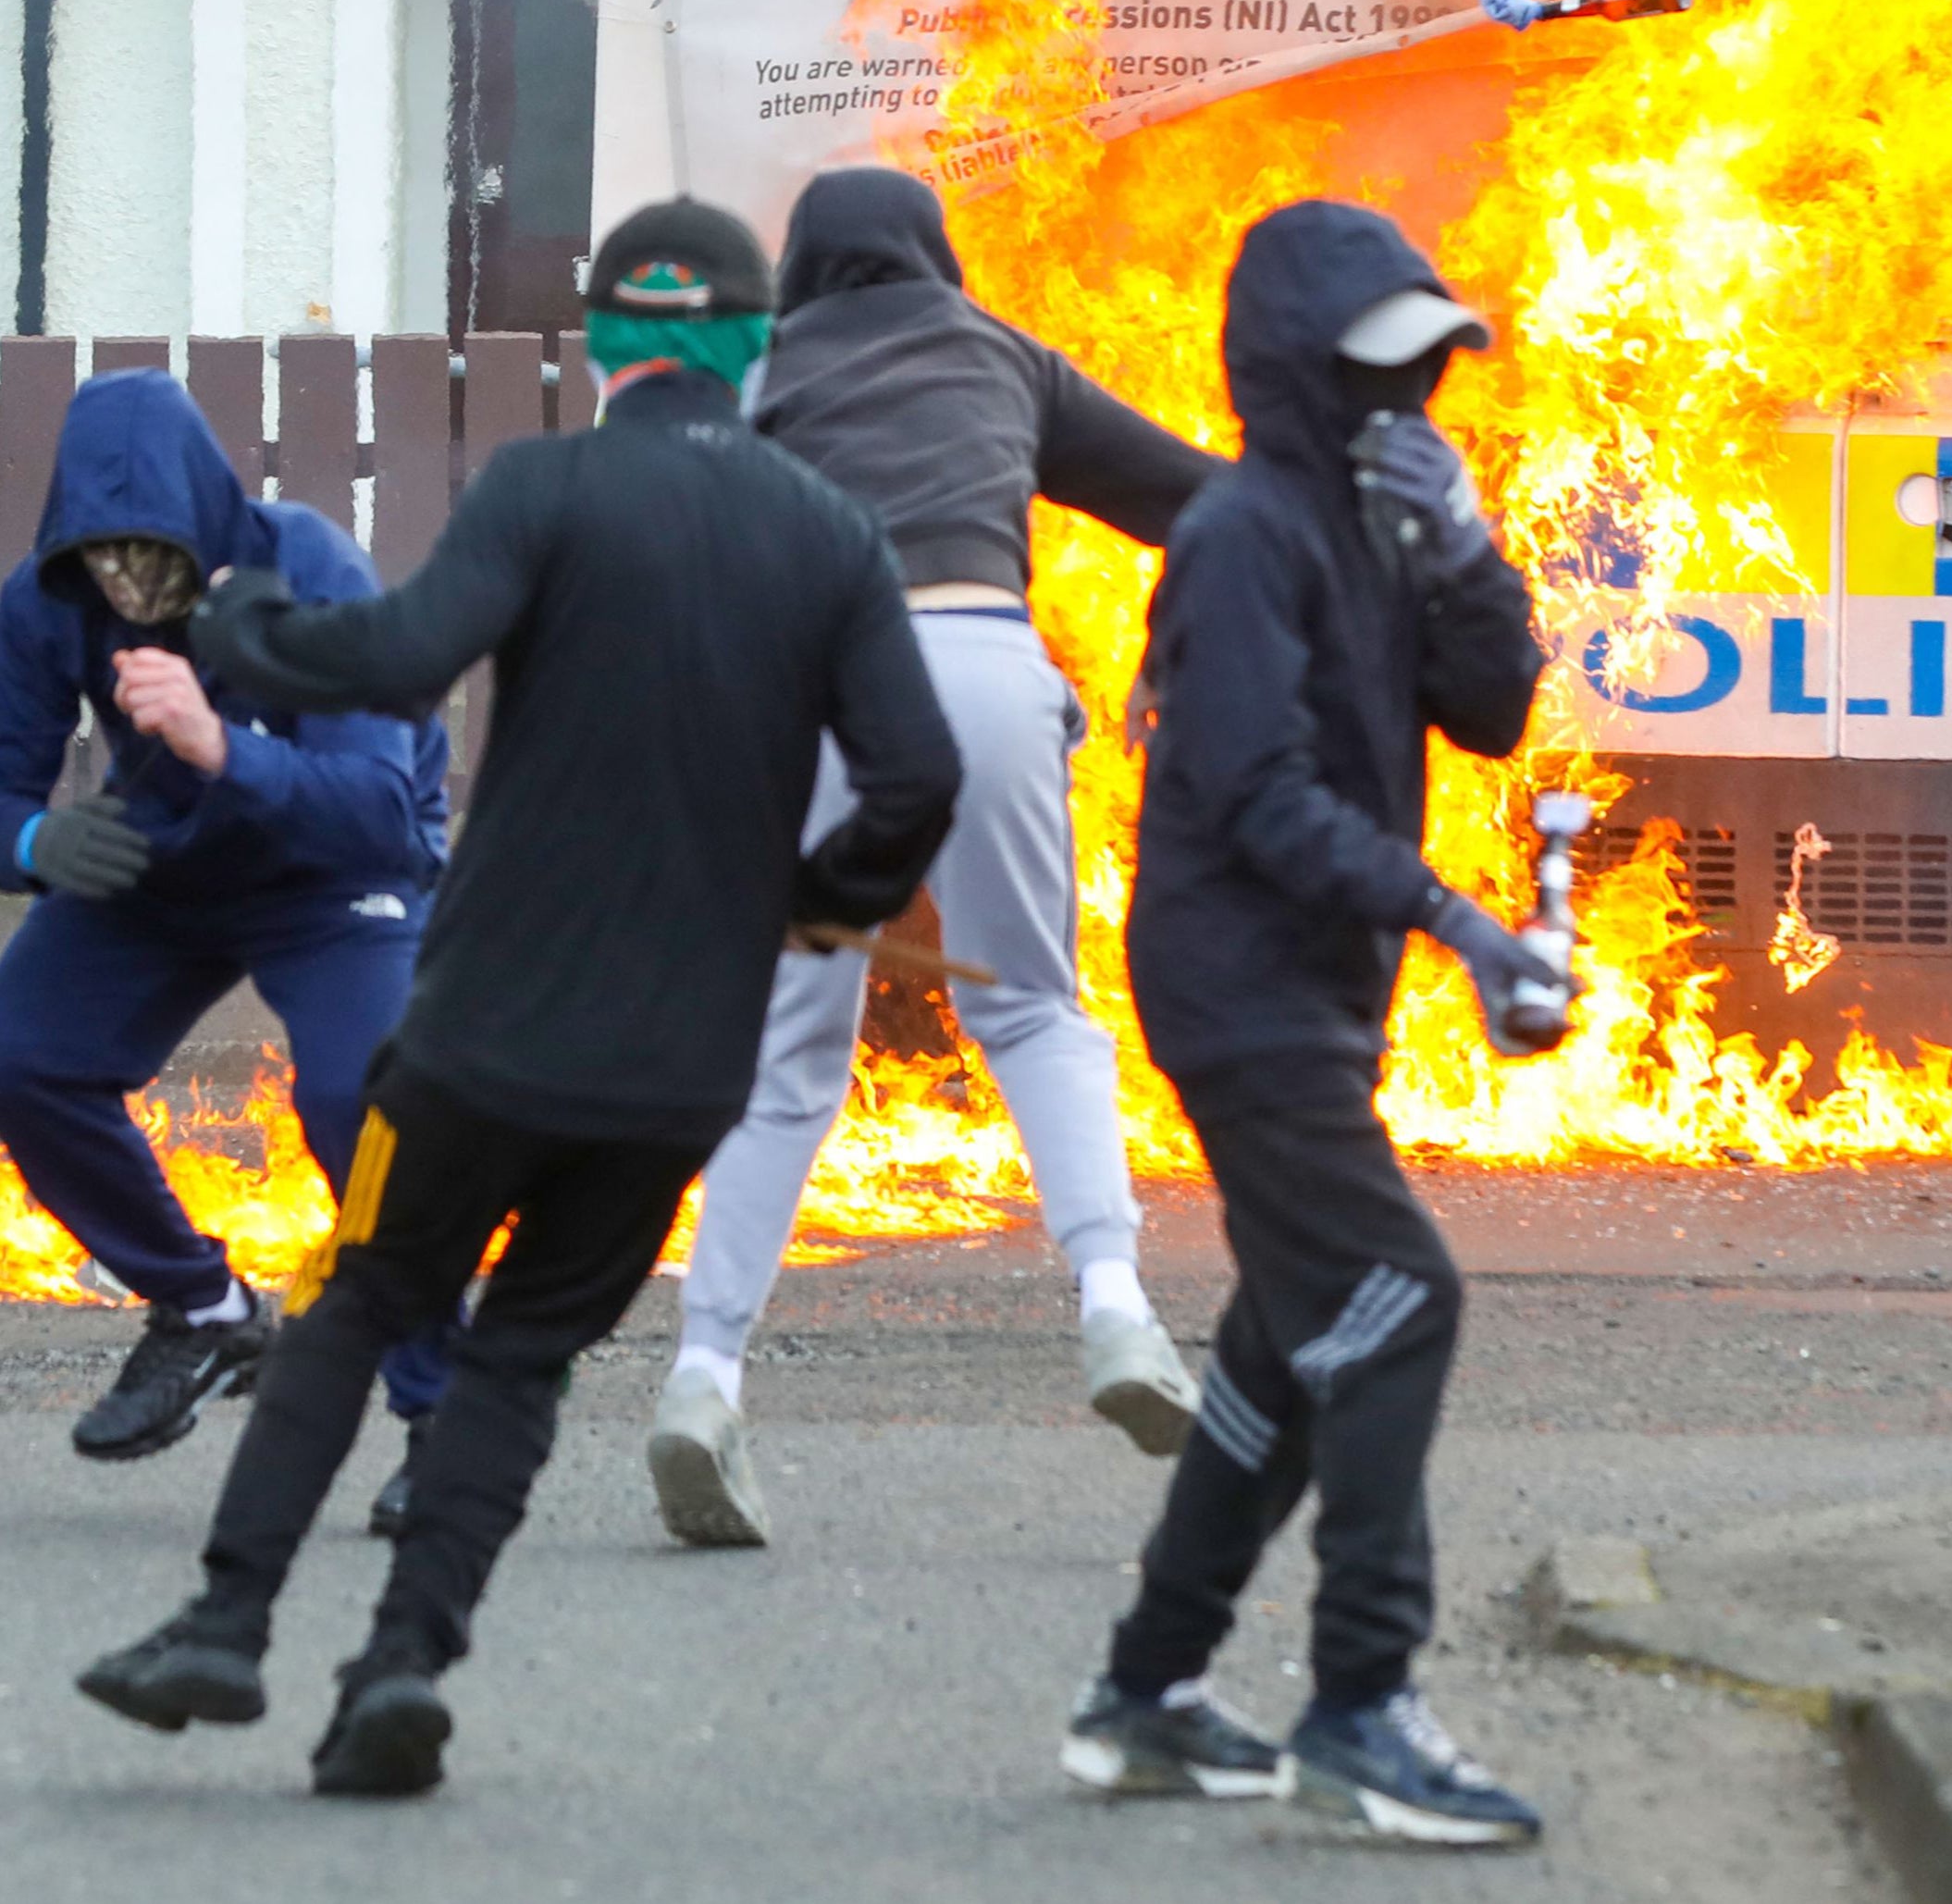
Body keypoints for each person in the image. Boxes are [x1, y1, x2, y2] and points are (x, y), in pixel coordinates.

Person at [77, 200, 961, 1799]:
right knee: (514, 1365)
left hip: (485, 1035)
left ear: (610, 345)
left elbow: (401, 658)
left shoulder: (547, 485)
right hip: (680, 1061)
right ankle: (400, 1671)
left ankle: (224, 1625)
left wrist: (235, 631)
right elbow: (916, 779)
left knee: (359, 1299)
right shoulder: (828, 529)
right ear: (753, 345)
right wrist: (820, 904)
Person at [1060, 201, 1556, 1847]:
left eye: (1428, 375)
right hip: (1237, 983)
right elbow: (1258, 798)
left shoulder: (1375, 520)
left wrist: (1469, 550)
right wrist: (1460, 921)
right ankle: (1359, 1702)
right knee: (1396, 1299)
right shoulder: (1241, 533)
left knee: (1287, 1345)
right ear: (1293, 374)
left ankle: (1145, 1694)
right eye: (1379, 374)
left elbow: (1487, 715)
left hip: (1316, 990)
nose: (1408, 406)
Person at [646, 166, 1222, 1551]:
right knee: (1030, 1007)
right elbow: (1205, 502)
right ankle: (1117, 1311)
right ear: (933, 255)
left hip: (818, 693)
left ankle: (702, 1378)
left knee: (788, 1065)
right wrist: (1162, 661)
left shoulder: (761, 364)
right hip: (984, 662)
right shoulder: (1000, 352)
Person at [0, 369, 454, 1511]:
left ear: (203, 519)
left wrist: (218, 744)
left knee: (365, 1094)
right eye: (98, 560)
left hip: (335, 870)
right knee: (24, 1056)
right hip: (169, 865)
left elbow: (380, 812)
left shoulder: (309, 572)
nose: (123, 583)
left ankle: (443, 1411)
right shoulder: (45, 601)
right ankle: (203, 1309)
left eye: (147, 554)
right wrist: (38, 839)